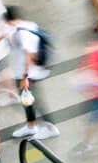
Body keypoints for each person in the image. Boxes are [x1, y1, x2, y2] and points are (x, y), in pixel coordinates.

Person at [5, 7, 58, 141]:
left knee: (35, 100)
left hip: (30, 74)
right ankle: (31, 126)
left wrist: (25, 77)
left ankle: (51, 127)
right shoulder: (27, 25)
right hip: (26, 72)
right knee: (27, 100)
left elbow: (29, 54)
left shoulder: (22, 33)